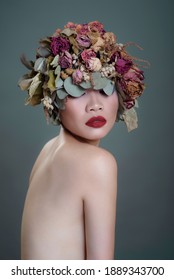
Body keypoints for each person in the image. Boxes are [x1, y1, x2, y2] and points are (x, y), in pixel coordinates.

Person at [18, 21, 145, 260]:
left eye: (105, 88)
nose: (95, 105)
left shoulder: (49, 151)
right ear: (54, 99)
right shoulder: (96, 163)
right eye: (77, 89)